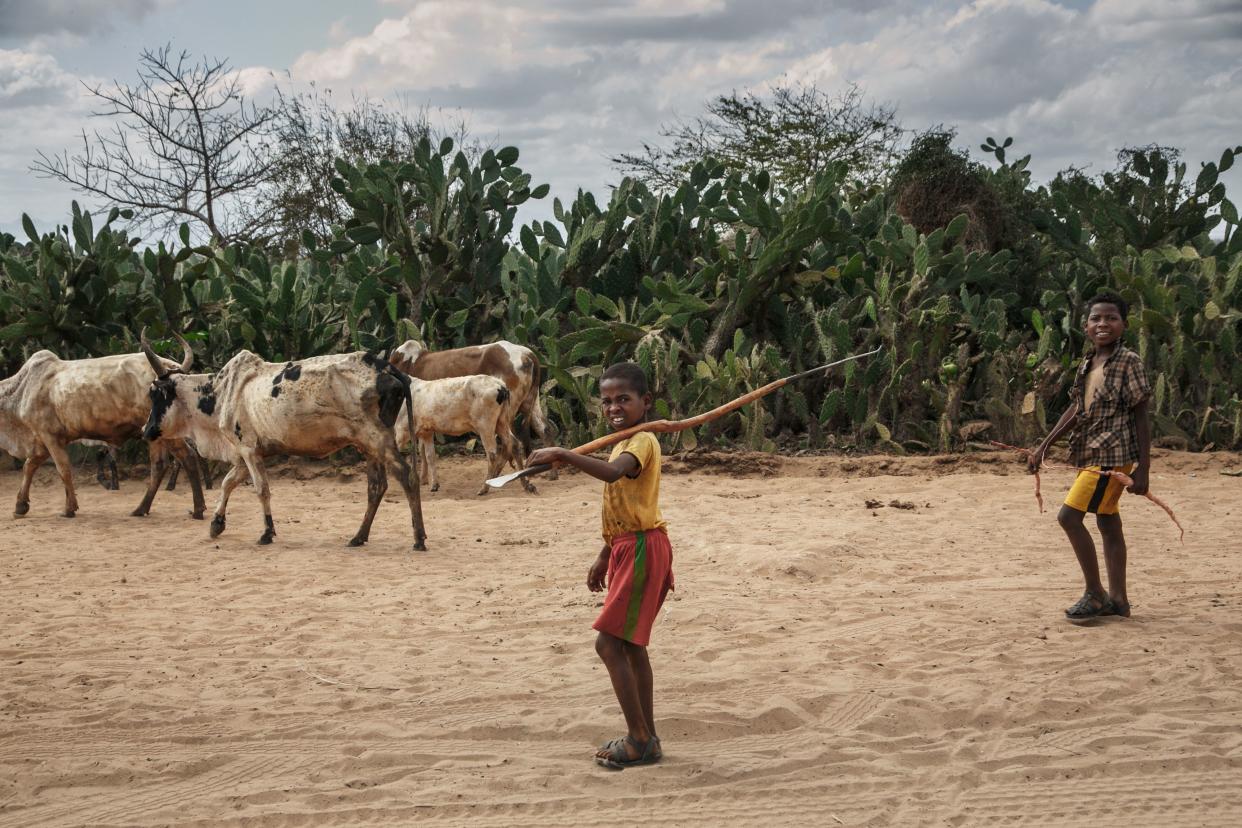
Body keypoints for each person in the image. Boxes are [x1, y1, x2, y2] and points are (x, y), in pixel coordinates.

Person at [526, 362, 674, 769]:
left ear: (645, 402)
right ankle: (649, 738)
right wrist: (605, 554)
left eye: (623, 399)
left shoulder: (641, 441)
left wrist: (562, 454)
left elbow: (612, 476)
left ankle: (639, 738)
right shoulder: (623, 440)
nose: (613, 408)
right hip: (629, 546)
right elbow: (624, 505)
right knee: (630, 645)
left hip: (645, 547)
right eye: (607, 401)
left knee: (608, 644)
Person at [1029, 292, 1151, 622]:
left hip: (1112, 457)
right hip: (1092, 452)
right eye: (1096, 318)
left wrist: (1143, 469)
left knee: (1068, 517)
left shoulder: (1129, 362)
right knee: (1107, 520)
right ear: (1085, 326)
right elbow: (1076, 408)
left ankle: (1095, 594)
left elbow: (1142, 415)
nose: (1103, 324)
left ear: (1124, 325)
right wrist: (1044, 446)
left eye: (1111, 318)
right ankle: (1119, 600)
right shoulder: (1087, 363)